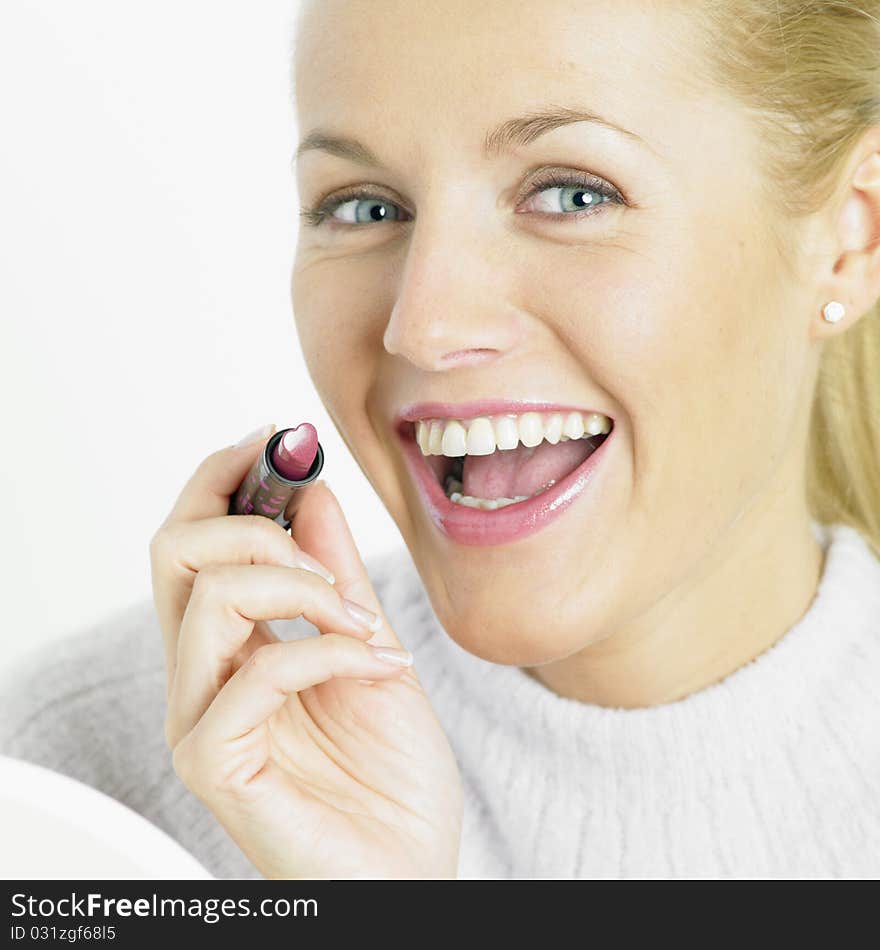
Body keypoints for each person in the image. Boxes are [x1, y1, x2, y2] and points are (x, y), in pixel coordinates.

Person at [3, 0, 880, 879]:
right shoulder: (75, 786)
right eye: (362, 207)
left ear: (853, 235)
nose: (422, 325)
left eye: (571, 194)